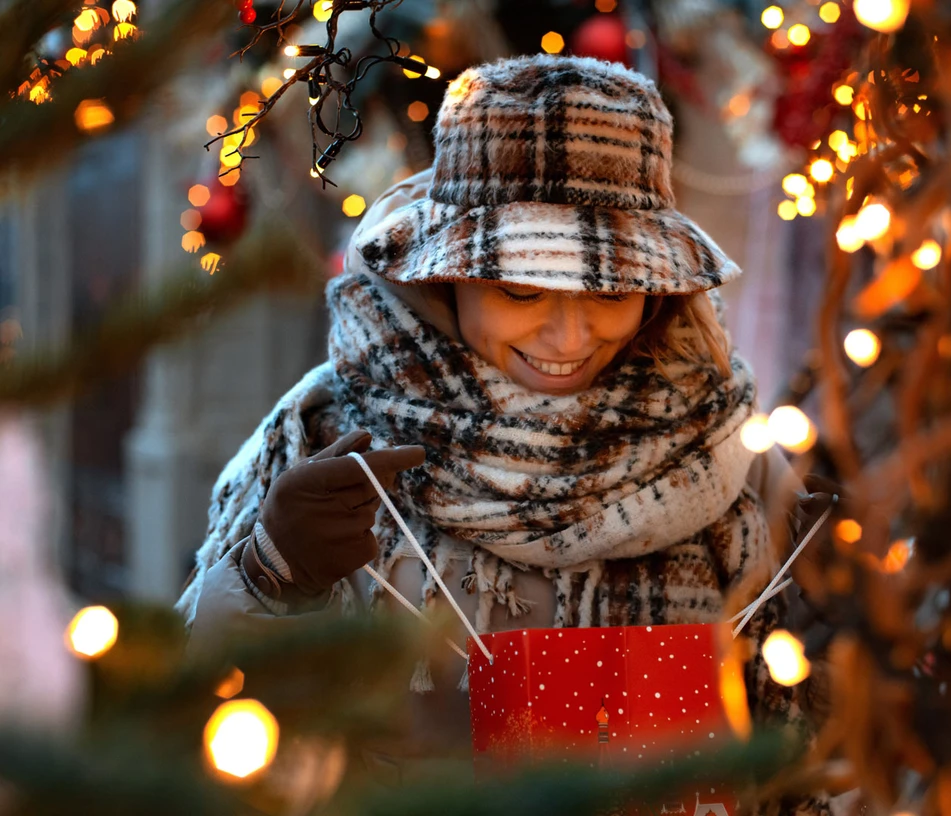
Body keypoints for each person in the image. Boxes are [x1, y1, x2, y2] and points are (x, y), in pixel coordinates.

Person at [176, 54, 826, 812]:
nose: (568, 336)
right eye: (521, 290)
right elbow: (202, 725)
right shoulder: (328, 438)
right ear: (442, 274)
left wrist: (832, 621)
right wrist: (269, 579)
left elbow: (810, 757)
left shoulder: (725, 450)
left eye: (612, 292)